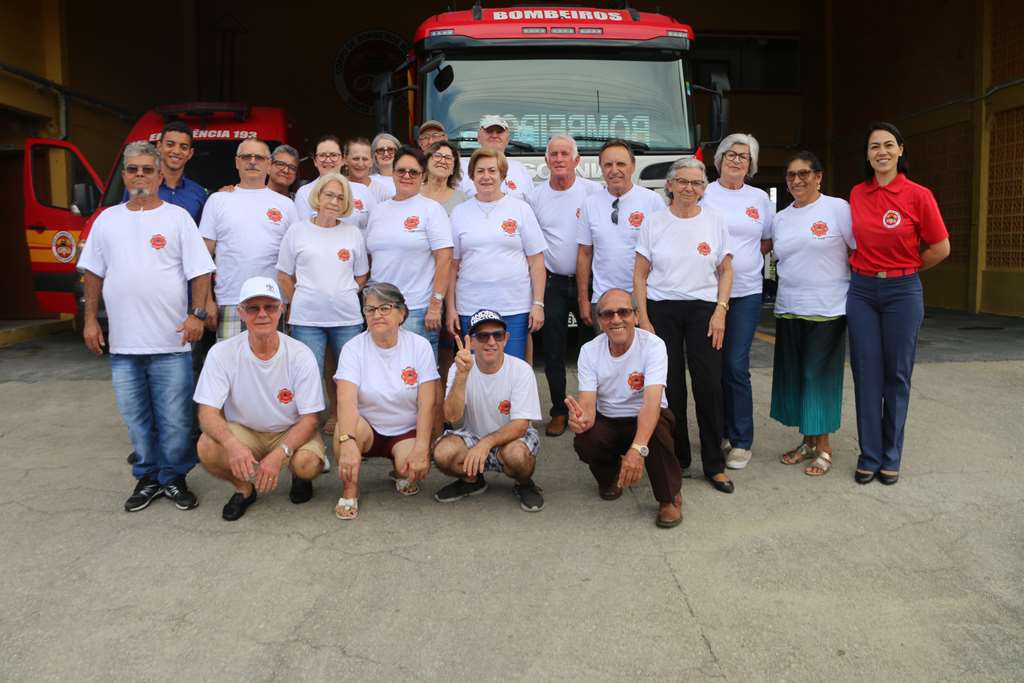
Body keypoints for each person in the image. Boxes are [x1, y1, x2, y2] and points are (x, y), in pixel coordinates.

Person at [78, 141, 215, 511]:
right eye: (133, 169)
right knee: (136, 419)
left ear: (158, 175)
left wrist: (196, 315)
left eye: (147, 169)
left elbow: (200, 272)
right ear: (124, 175)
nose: (140, 175)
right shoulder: (107, 219)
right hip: (124, 345)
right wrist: (91, 320)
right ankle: (147, 478)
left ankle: (173, 479)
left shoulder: (177, 218)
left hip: (171, 342)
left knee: (173, 419)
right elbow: (93, 274)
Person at [847, 122, 950, 485]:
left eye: (889, 145)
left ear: (901, 150)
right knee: (866, 374)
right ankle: (869, 454)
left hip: (902, 293)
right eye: (874, 146)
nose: (882, 152)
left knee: (897, 375)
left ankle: (891, 455)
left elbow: (941, 247)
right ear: (868, 154)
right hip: (861, 292)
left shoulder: (918, 195)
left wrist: (906, 267)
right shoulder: (858, 193)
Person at [634, 158, 736, 494]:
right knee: (670, 387)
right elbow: (640, 274)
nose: (689, 189)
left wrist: (720, 310)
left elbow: (726, 270)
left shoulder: (715, 221)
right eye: (683, 182)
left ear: (704, 188)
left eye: (697, 183)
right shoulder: (654, 222)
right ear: (670, 185)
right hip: (662, 310)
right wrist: (644, 319)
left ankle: (714, 464)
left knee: (708, 385)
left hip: (704, 310)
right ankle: (678, 458)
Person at [195, 277, 327, 519]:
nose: (263, 314)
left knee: (307, 464)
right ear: (240, 312)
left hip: (290, 430)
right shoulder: (221, 353)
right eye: (253, 308)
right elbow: (207, 413)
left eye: (270, 307)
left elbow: (310, 419)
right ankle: (244, 489)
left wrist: (279, 454)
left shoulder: (300, 354)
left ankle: (298, 475)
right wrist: (232, 445)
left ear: (281, 310)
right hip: (246, 431)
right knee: (206, 445)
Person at [768, 151, 856, 476]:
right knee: (795, 379)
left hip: (828, 308)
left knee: (817, 379)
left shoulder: (838, 208)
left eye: (804, 173)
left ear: (819, 176)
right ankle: (807, 442)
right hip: (790, 307)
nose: (796, 180)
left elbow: (856, 249)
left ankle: (825, 447)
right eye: (791, 175)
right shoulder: (781, 218)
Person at [566, 289, 683, 528]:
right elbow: (588, 402)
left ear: (636, 316)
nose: (616, 319)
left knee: (656, 434)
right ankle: (610, 477)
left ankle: (669, 497)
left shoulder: (653, 345)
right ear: (600, 321)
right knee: (586, 439)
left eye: (624, 312)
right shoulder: (589, 351)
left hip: (648, 415)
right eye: (608, 314)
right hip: (610, 418)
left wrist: (638, 449)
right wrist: (581, 419)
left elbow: (652, 402)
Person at [332, 283, 439, 520]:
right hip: (366, 429)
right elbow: (346, 400)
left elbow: (427, 404)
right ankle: (350, 491)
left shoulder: (419, 346)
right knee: (345, 432)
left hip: (404, 430)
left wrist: (422, 448)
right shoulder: (353, 348)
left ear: (402, 314)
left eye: (385, 308)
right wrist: (347, 441)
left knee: (410, 471)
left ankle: (398, 470)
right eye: (370, 310)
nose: (377, 315)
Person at [701, 133, 775, 470]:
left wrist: (740, 262)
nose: (736, 160)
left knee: (735, 365)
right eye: (730, 154)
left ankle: (741, 439)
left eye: (743, 156)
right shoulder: (704, 192)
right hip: (705, 292)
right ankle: (719, 433)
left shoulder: (759, 199)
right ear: (718, 160)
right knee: (711, 368)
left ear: (752, 164)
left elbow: (765, 242)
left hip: (745, 292)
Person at [276, 172, 368, 434]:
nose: (334, 201)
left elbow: (361, 273)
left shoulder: (352, 233)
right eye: (329, 194)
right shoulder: (298, 230)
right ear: (318, 196)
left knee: (348, 376)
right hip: (306, 319)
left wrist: (345, 290)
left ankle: (343, 420)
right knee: (308, 376)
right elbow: (283, 273)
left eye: (340, 197)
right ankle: (307, 429)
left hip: (347, 318)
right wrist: (300, 298)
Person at [526, 134, 601, 436]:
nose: (558, 159)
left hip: (591, 282)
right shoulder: (535, 196)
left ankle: (588, 409)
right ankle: (558, 410)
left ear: (577, 160)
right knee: (554, 351)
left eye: (564, 154)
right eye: (553, 154)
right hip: (553, 282)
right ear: (547, 160)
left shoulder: (593, 192)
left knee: (591, 349)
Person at [433, 309, 545, 511]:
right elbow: (451, 416)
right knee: (442, 452)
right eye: (483, 336)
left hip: (512, 439)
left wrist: (486, 443)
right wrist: (462, 375)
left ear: (506, 339)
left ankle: (524, 483)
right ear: (472, 341)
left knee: (517, 456)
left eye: (497, 335)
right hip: (474, 436)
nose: (491, 341)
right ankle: (472, 480)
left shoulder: (521, 370)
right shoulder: (459, 368)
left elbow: (520, 426)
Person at [447, 148, 546, 360]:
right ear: (472, 176)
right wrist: (451, 309)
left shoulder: (521, 209)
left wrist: (538, 304)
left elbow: (537, 261)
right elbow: (452, 265)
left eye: (492, 170)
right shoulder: (459, 212)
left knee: (512, 367)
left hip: (514, 306)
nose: (486, 176)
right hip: (471, 306)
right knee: (475, 370)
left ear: (502, 175)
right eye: (480, 171)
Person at [199, 138, 297, 340]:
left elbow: (296, 261)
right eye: (246, 157)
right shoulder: (218, 200)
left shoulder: (286, 205)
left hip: (273, 301)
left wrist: (292, 302)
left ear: (269, 164)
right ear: (237, 162)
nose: (253, 161)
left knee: (272, 368)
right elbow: (202, 256)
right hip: (231, 301)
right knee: (230, 368)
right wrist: (207, 300)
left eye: (259, 157)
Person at [365, 146, 453, 357]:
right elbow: (371, 257)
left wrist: (435, 305)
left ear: (423, 176)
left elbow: (445, 259)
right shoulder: (378, 211)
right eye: (401, 170)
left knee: (420, 377)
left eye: (413, 172)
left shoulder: (431, 209)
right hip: (379, 309)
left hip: (416, 309)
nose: (406, 176)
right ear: (393, 173)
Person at [577, 139, 666, 328]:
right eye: (608, 164)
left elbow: (664, 252)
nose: (614, 170)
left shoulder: (652, 201)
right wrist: (583, 300)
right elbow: (584, 254)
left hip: (645, 298)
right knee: (608, 355)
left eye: (621, 164)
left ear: (633, 166)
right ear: (600, 167)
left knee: (644, 355)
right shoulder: (589, 204)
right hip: (603, 299)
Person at [459, 115, 534, 199]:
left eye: (499, 132)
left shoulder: (520, 169)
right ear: (478, 138)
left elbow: (530, 204)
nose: (494, 135)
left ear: (508, 139)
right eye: (489, 131)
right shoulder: (462, 169)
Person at [147, 121, 208, 222]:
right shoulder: (140, 186)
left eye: (183, 147)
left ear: (190, 153)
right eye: (170, 144)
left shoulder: (199, 194)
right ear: (159, 147)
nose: (176, 151)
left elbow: (200, 235)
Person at [294, 135, 344, 221]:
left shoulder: (362, 191)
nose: (328, 160)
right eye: (322, 155)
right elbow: (304, 229)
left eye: (333, 155)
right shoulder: (304, 193)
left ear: (343, 159)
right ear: (315, 161)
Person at [341, 136, 382, 227]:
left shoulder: (382, 192)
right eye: (356, 158)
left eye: (365, 159)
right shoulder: (336, 186)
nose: (360, 164)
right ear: (345, 159)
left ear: (372, 161)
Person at [420, 140, 467, 214]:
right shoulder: (413, 194)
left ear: (453, 169)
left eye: (448, 158)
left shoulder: (462, 200)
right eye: (437, 156)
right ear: (426, 163)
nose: (442, 161)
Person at [370, 132, 400, 199]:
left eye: (390, 149)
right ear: (374, 154)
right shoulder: (369, 181)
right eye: (381, 150)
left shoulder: (408, 178)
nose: (386, 154)